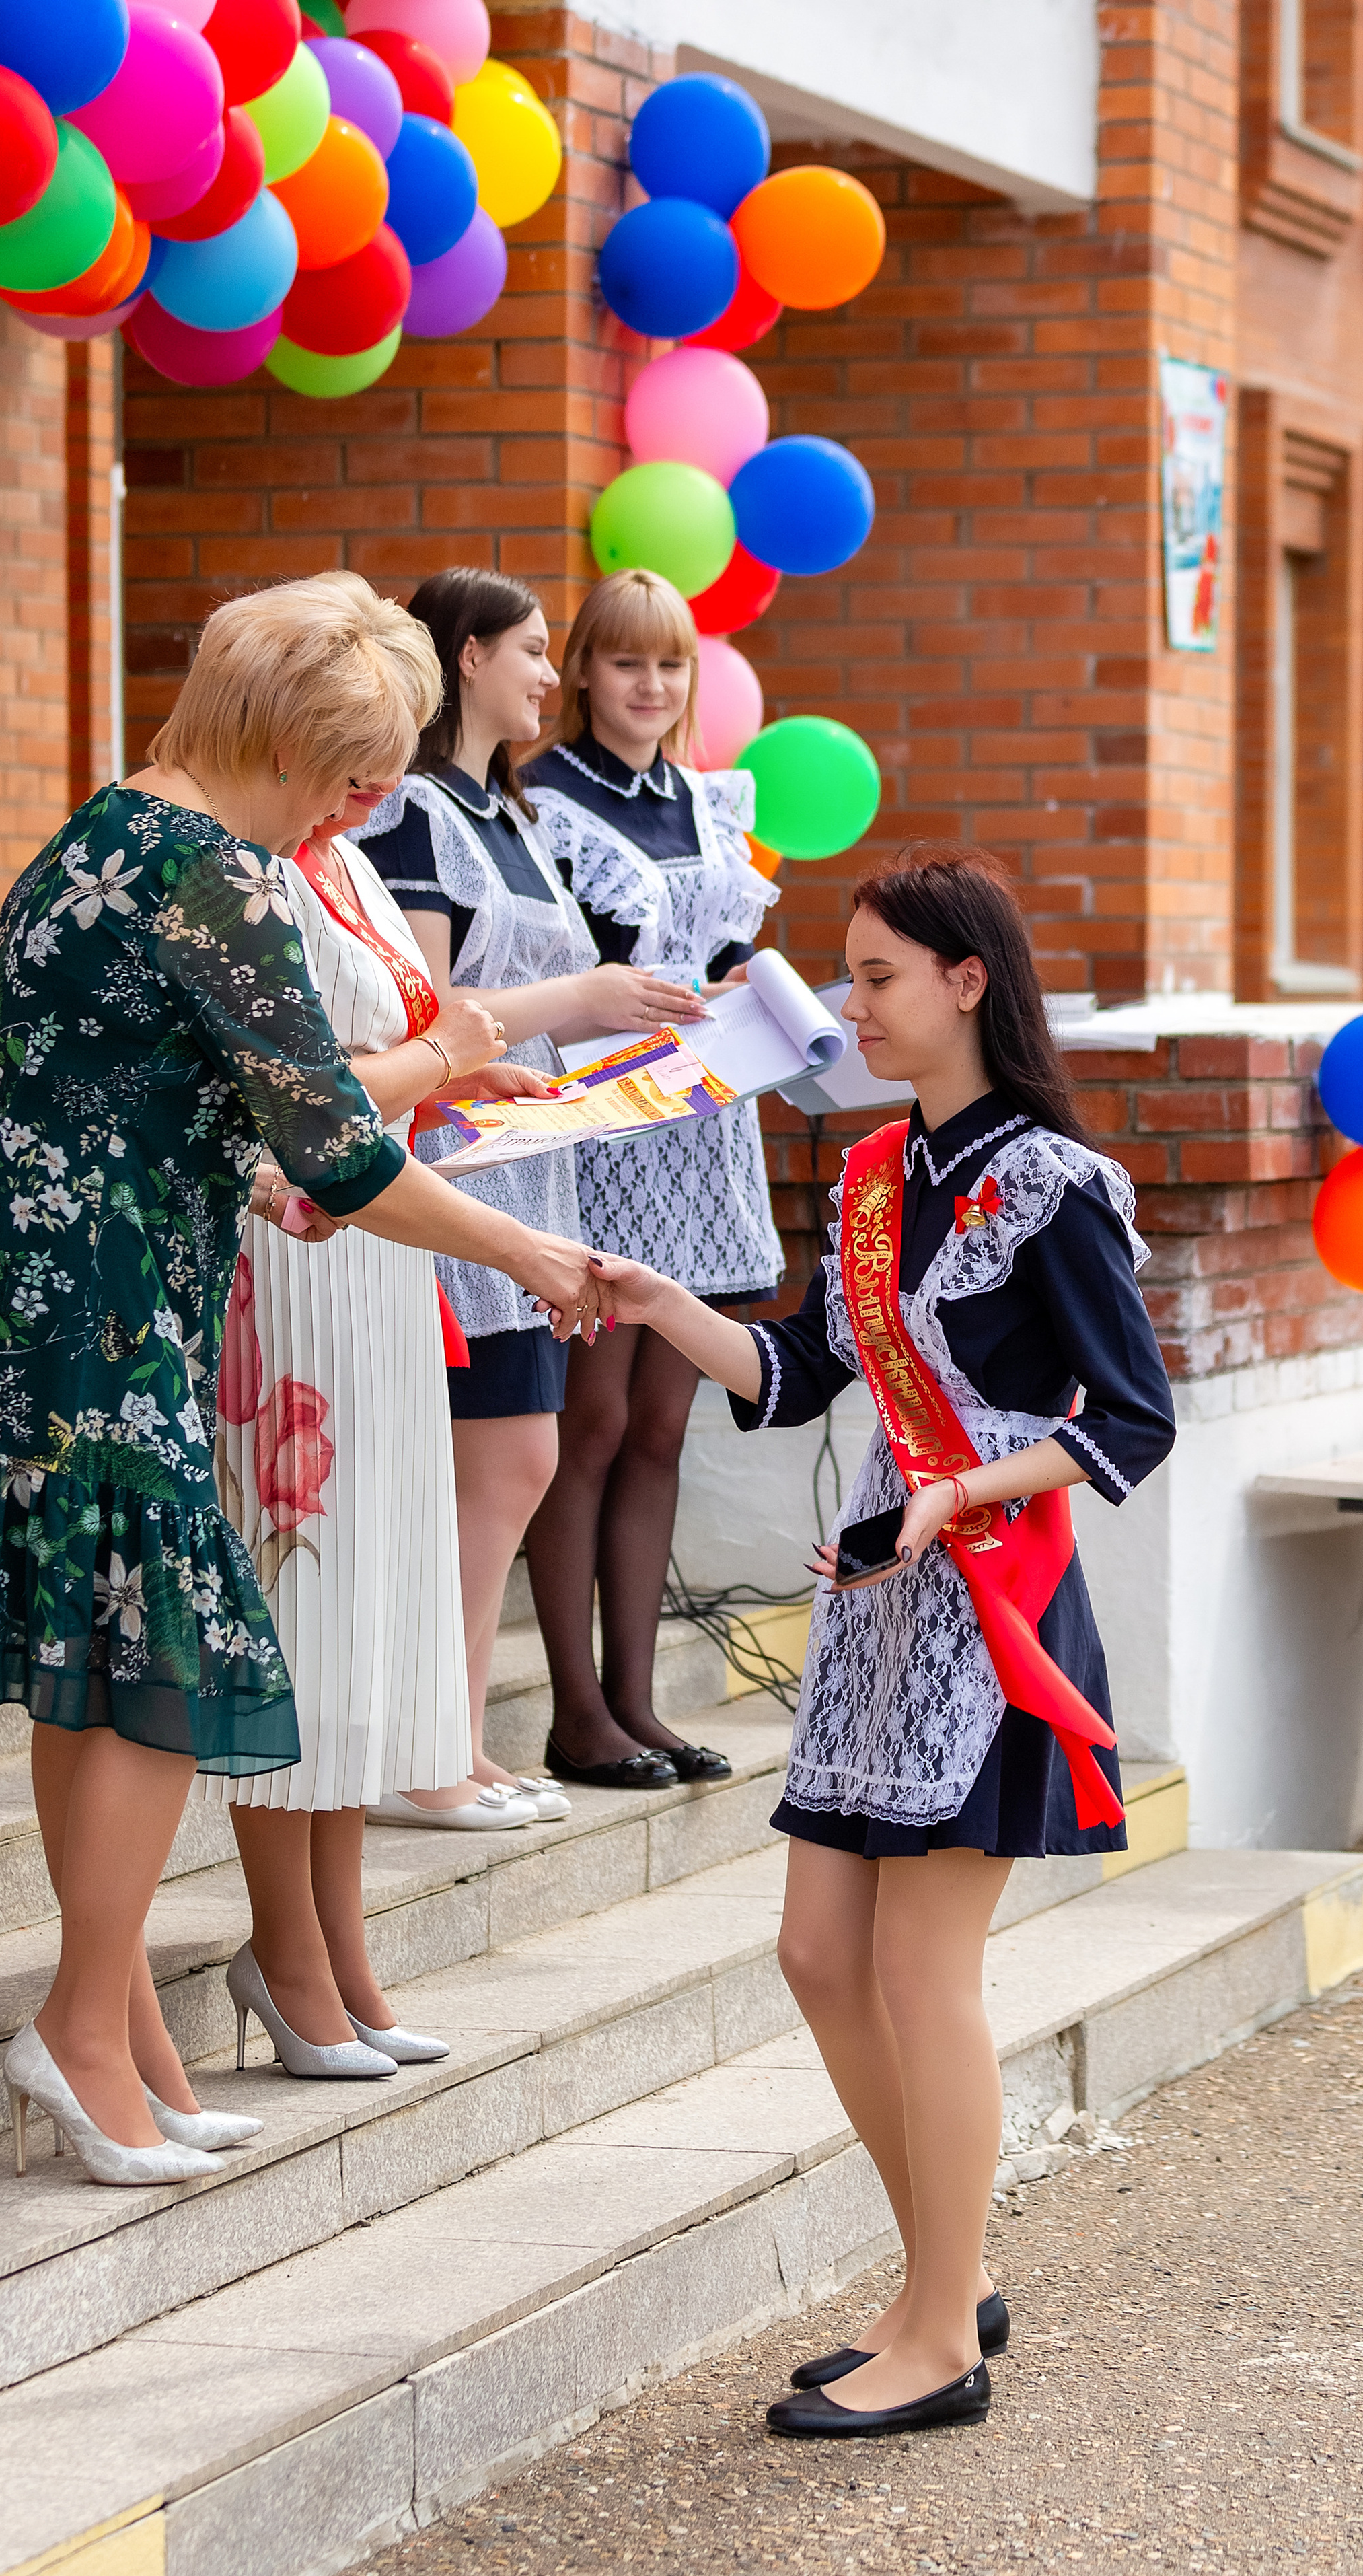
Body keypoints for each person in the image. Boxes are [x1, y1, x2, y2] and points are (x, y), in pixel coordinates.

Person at [0, 570, 607, 2186]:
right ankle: (82, 2028)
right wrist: (529, 1258)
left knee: (97, 1661)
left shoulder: (104, 825)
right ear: (296, 741)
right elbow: (333, 1144)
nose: (364, 800)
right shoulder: (216, 877)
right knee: (170, 1657)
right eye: (355, 766)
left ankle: (123, 2028)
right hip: (93, 1303)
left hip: (17, 1285)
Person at [587, 846, 1175, 2438]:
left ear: (964, 983)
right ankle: (941, 2266)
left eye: (874, 978)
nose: (849, 1006)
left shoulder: (1051, 1183)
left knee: (922, 1977)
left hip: (989, 1610)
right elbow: (787, 1376)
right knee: (814, 1955)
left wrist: (959, 1493)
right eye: (849, 978)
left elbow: (1131, 1419)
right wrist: (652, 1302)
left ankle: (937, 2336)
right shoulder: (862, 1177)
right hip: (872, 1612)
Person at [201, 760, 560, 2077]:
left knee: (364, 1616)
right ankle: (287, 1953)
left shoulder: (346, 861)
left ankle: (340, 1951)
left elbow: (378, 1070)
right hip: (293, 1257)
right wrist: (438, 1060)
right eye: (356, 746)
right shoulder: (243, 868)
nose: (376, 777)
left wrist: (458, 1083)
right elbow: (292, 1100)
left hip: (380, 1249)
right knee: (306, 1604)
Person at [348, 567, 710, 1815]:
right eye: (535, 651)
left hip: (535, 1173)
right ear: (465, 660)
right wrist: (586, 1001)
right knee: (496, 1458)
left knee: (515, 1458)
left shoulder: (504, 815)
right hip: (452, 1190)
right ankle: (423, 1747)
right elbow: (421, 1024)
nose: (551, 677)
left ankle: (447, 1737)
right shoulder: (411, 813)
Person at [519, 569, 784, 1787]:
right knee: (596, 1419)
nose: (650, 685)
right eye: (625, 662)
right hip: (605, 1128)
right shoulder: (543, 802)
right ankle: (575, 1711)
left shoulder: (707, 800)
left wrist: (761, 998)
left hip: (706, 1127)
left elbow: (726, 955)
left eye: (669, 664)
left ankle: (638, 1701)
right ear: (579, 671)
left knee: (666, 1426)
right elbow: (558, 977)